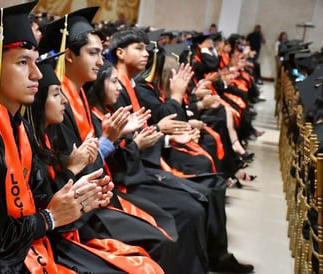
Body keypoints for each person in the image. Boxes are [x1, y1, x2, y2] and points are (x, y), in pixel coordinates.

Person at [0, 2, 113, 272]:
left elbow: (36, 201)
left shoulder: (19, 127)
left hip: (27, 251)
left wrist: (74, 193)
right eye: (23, 62)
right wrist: (50, 218)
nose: (37, 74)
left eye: (36, 62)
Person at [39, 7, 180, 273]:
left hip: (99, 195)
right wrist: (109, 141)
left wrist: (113, 140)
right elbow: (70, 170)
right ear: (69, 56)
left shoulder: (79, 95)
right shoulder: (58, 106)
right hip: (80, 214)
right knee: (161, 236)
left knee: (166, 221)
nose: (101, 61)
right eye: (93, 53)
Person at [108, 26, 255, 273]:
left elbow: (150, 127)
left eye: (147, 48)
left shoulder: (131, 87)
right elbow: (133, 137)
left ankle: (213, 257)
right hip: (129, 174)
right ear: (120, 53)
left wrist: (175, 119)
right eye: (139, 48)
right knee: (194, 202)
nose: (147, 53)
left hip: (141, 162)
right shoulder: (123, 89)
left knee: (205, 186)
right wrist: (175, 105)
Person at [26, 58, 164, 273]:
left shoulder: (53, 133)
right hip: (60, 235)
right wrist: (81, 167)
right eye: (55, 94)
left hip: (84, 217)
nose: (64, 101)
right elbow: (46, 203)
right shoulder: (30, 143)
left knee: (161, 229)